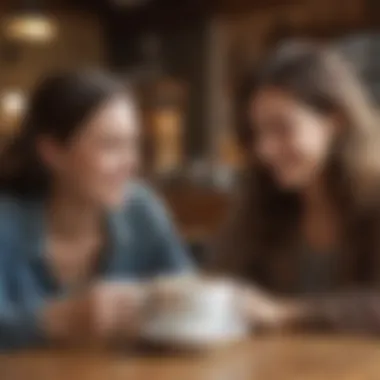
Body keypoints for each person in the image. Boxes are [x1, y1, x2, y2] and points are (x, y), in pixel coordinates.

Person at [0, 70, 193, 349]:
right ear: (52, 151)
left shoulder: (142, 210)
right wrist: (59, 320)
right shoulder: (7, 222)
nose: (131, 163)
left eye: (132, 143)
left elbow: (188, 298)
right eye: (111, 145)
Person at [210, 42, 380, 334]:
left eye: (282, 128)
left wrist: (287, 315)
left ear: (334, 121)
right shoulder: (259, 198)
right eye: (259, 132)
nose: (264, 149)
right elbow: (220, 281)